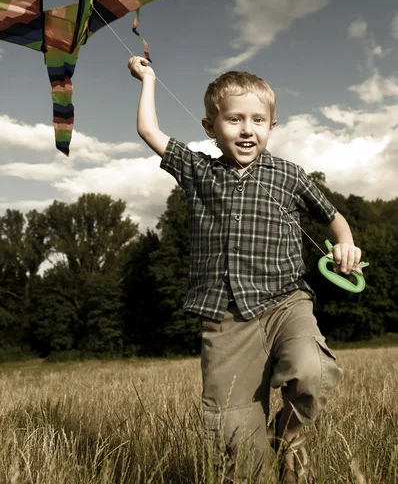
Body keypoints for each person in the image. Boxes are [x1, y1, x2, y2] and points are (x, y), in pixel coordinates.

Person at [128, 56, 362, 483]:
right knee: (234, 438)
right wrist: (148, 79)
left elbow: (334, 218)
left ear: (272, 126)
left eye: (258, 120)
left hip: (287, 302)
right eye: (234, 119)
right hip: (225, 317)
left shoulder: (289, 175)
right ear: (209, 127)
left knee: (313, 372)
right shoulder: (199, 171)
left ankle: (287, 438)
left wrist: (346, 244)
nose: (247, 129)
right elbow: (149, 131)